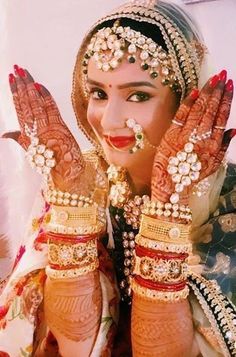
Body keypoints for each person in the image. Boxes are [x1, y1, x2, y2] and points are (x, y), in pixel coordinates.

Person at [0, 0, 236, 356]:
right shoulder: (79, 181)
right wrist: (72, 202)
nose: (109, 121)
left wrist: (168, 208)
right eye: (98, 93)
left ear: (187, 103)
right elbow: (71, 345)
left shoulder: (227, 198)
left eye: (138, 95)